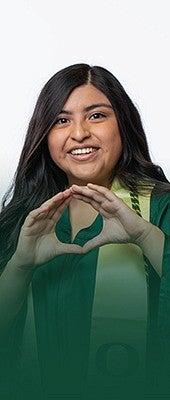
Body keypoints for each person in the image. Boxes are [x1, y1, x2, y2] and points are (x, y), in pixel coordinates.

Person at [0, 63, 170, 400]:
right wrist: (20, 265)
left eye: (96, 116)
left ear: (123, 125)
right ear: (44, 135)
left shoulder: (161, 208)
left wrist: (145, 236)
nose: (79, 133)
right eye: (61, 120)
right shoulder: (20, 221)